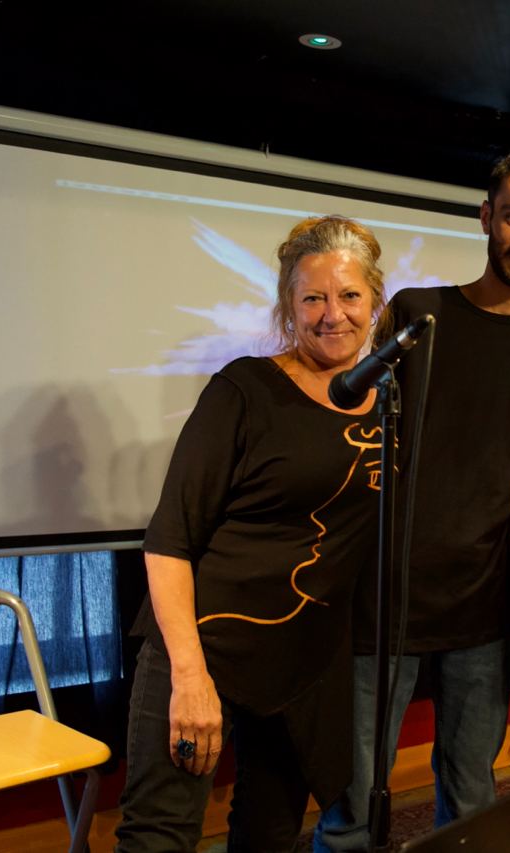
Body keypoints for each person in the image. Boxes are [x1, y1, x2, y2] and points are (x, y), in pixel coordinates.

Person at [313, 150, 510, 851]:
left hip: (487, 606)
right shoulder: (418, 314)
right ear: (486, 216)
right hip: (385, 600)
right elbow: (352, 438)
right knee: (352, 809)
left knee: (470, 804)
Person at [115, 216, 387, 852]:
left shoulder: (391, 403)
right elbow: (169, 540)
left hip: (304, 663)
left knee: (269, 837)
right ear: (288, 305)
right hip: (205, 646)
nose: (332, 315)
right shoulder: (243, 389)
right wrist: (188, 675)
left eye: (348, 296)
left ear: (375, 300)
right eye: (312, 297)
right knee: (160, 836)